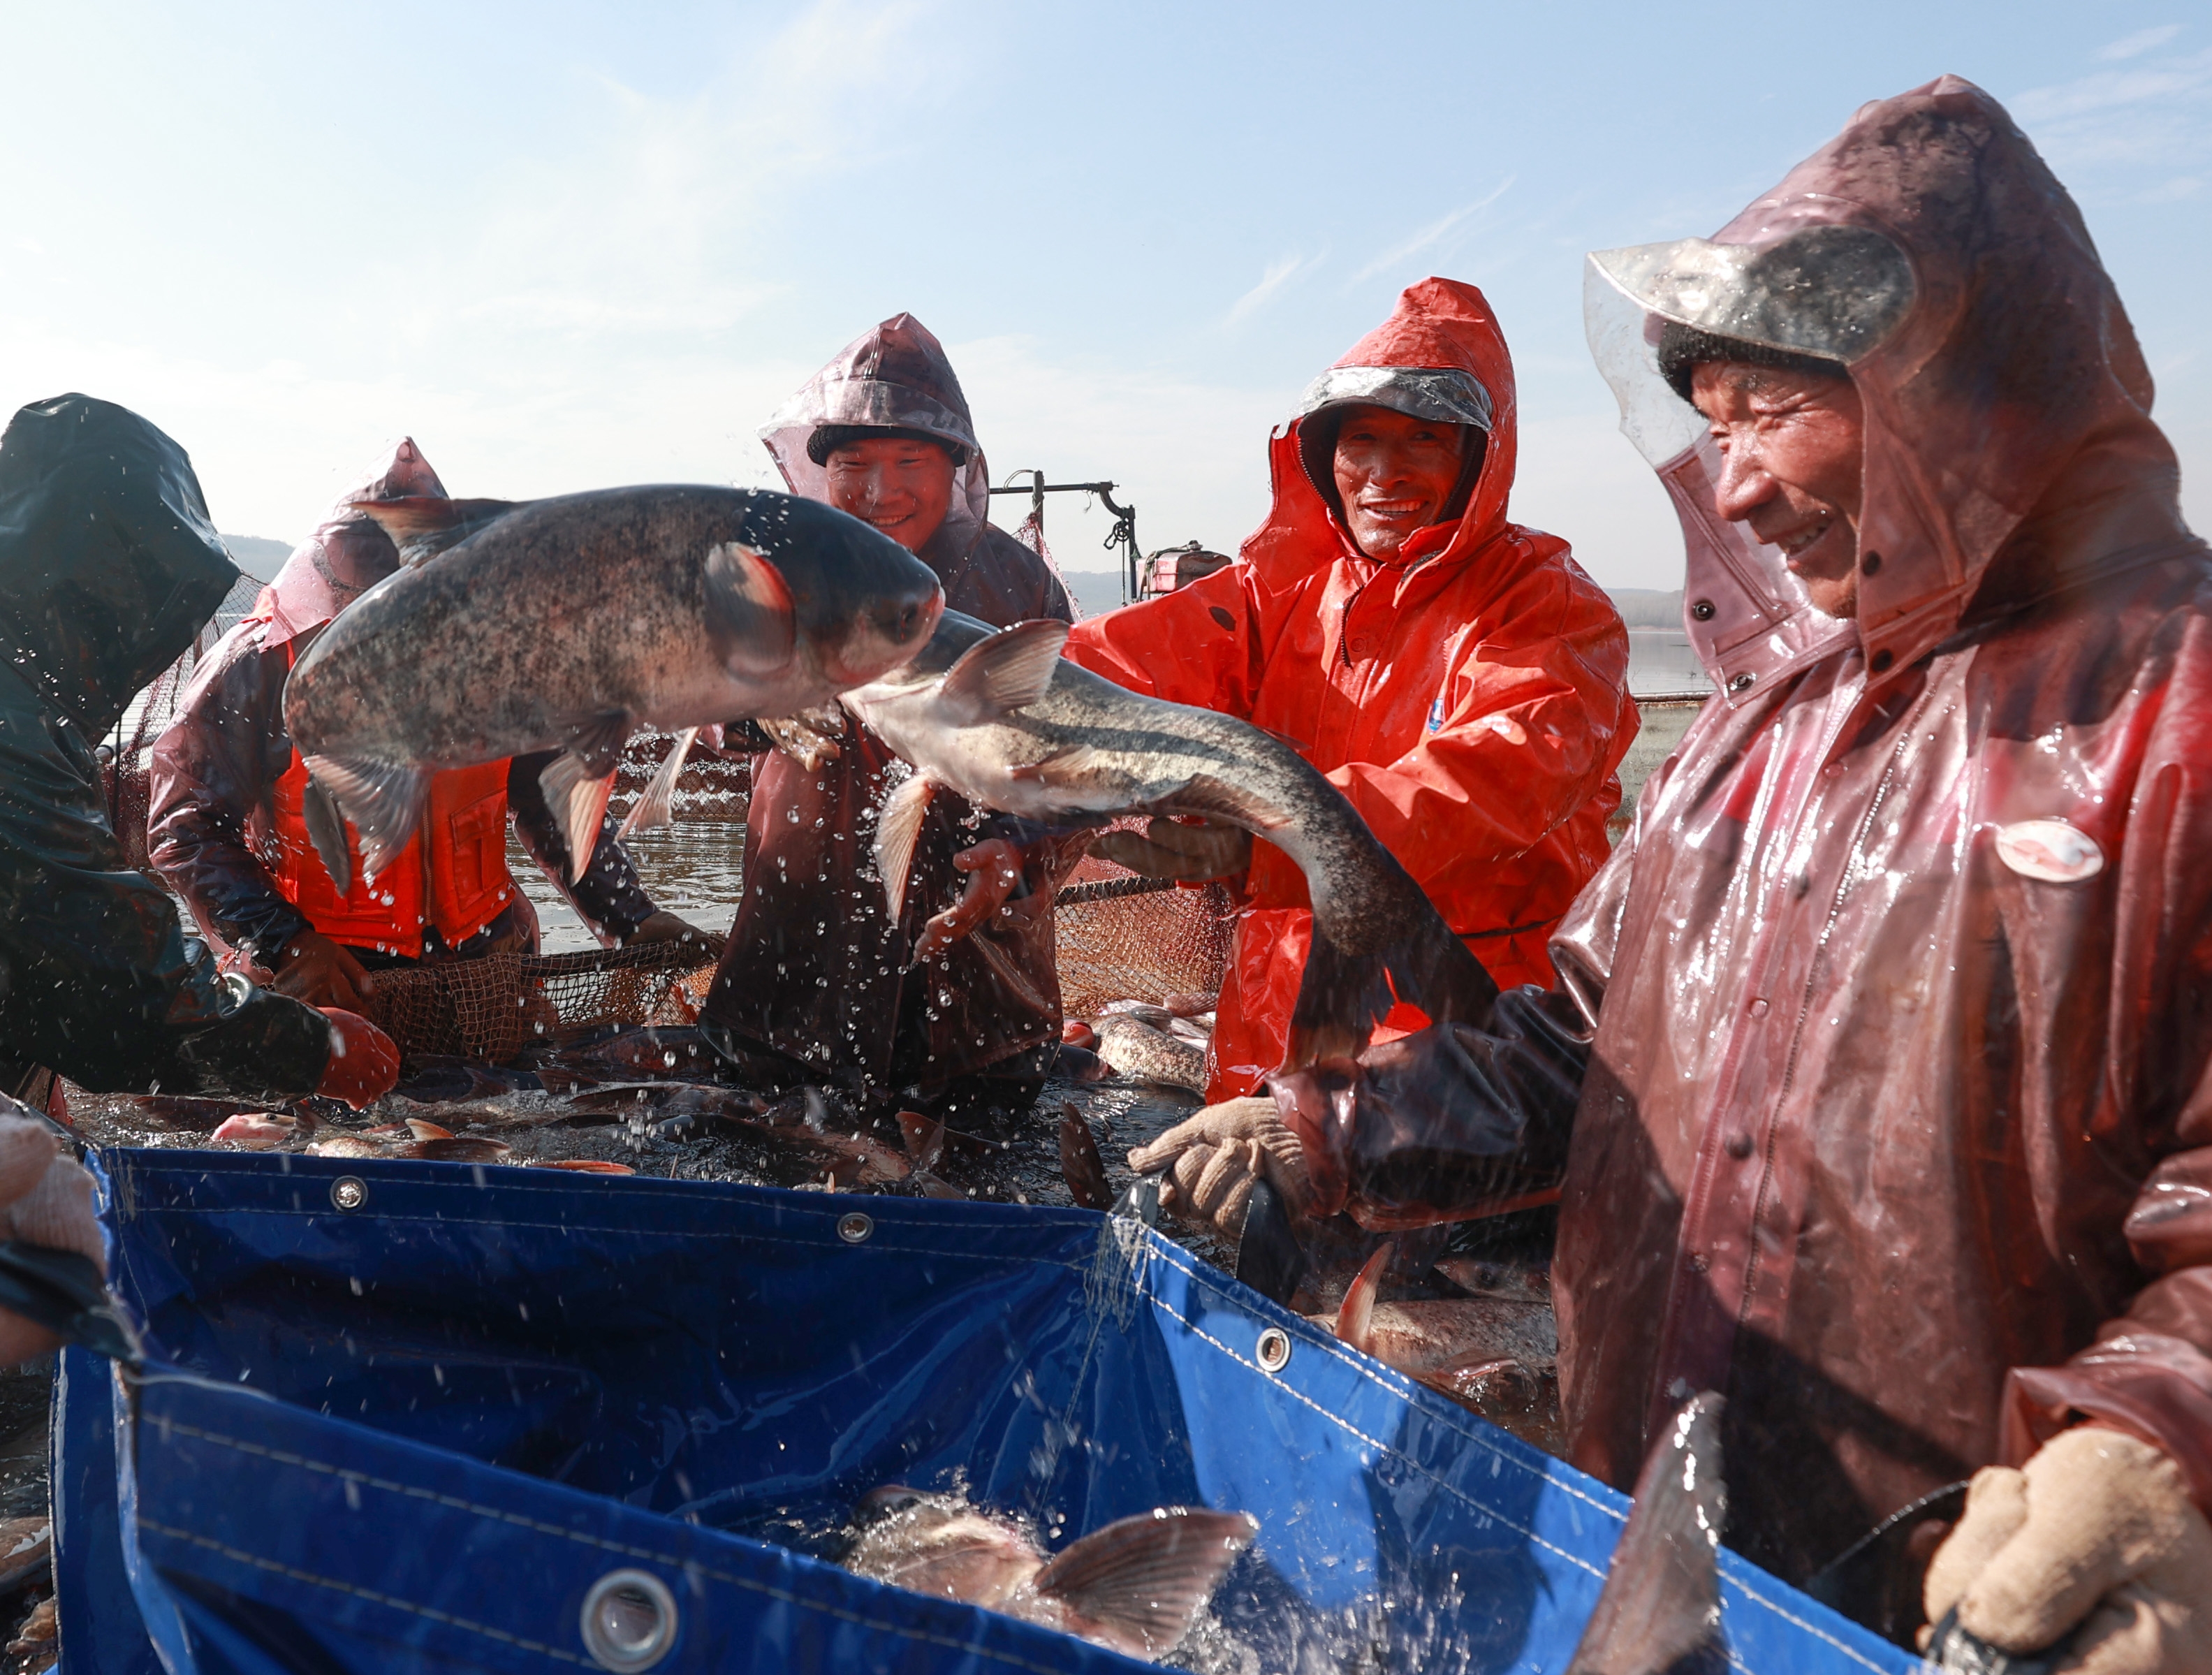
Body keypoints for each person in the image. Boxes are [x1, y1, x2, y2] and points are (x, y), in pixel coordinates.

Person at [1132, 78, 2212, 1675]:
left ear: (1962, 380)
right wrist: (1324, 1131)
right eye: (1712, 424)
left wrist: (2178, 1447)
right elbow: (1575, 1045)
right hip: (1691, 1615)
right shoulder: (1749, 744)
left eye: (1774, 412)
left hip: (2050, 1674)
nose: (1741, 488)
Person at [1064, 278, 1634, 1102]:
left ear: (1481, 453)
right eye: (1359, 439)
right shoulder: (1283, 593)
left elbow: (1495, 777)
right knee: (1254, 1218)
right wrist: (961, 685)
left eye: (1423, 440)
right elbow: (1118, 659)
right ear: (1320, 452)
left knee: (1439, 1227)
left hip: (1468, 1037)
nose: (1382, 472)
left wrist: (1273, 838)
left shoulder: (1546, 604)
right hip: (1274, 1019)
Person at [148, 438, 698, 1014]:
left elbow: (552, 800)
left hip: (483, 972)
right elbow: (185, 828)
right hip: (324, 981)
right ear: (333, 595)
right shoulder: (257, 667)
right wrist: (284, 944)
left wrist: (630, 917)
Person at [703, 314, 1076, 1128]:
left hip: (980, 1010)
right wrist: (748, 707)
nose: (879, 491)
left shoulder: (1023, 591)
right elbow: (701, 713)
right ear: (822, 474)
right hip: (789, 982)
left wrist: (1019, 846)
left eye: (910, 461)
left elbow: (1074, 767)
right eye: (852, 465)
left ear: (958, 468)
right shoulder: (775, 567)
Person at [0, 395, 395, 1109]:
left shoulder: (22, 700)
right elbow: (116, 994)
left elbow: (37, 957)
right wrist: (305, 1045)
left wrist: (34, 1069)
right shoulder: (14, 732)